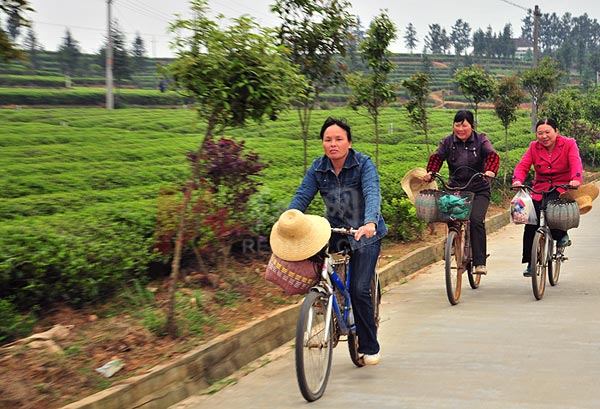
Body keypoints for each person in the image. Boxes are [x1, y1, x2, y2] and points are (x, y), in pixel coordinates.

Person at [287, 116, 387, 366]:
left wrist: (369, 223)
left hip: (366, 233)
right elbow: (302, 196)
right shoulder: (318, 168)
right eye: (327, 139)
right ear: (322, 143)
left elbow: (372, 192)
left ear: (349, 142)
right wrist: (289, 221)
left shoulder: (363, 163)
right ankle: (321, 314)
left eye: (338, 139)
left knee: (359, 288)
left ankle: (368, 344)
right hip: (333, 230)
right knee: (315, 273)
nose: (333, 144)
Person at [422, 110, 500, 275]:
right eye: (457, 125)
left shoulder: (481, 140)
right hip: (456, 187)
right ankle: (453, 243)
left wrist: (490, 171)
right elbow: (437, 157)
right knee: (450, 216)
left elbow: (492, 156)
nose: (460, 129)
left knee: (476, 220)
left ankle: (479, 262)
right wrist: (431, 172)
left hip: (478, 187)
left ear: (471, 126)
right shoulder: (448, 142)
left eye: (464, 125)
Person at [511, 117, 583, 277]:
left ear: (556, 132)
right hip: (540, 187)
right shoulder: (533, 147)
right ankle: (531, 262)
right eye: (540, 133)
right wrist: (517, 179)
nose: (544, 136)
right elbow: (523, 165)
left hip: (562, 186)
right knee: (530, 221)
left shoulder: (569, 144)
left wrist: (576, 178)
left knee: (553, 212)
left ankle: (561, 235)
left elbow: (575, 163)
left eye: (547, 132)